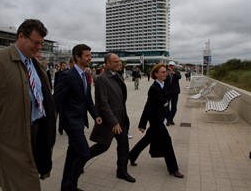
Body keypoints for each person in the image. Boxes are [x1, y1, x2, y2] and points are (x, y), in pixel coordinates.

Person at [0, 19, 57, 191]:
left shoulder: (35, 64)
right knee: (26, 183)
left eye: (41, 44)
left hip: (37, 132)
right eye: (35, 43)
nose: (39, 48)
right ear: (21, 37)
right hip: (10, 139)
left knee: (21, 180)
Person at [53, 44, 102, 191]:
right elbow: (56, 100)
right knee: (84, 153)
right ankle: (70, 185)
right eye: (87, 55)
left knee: (72, 153)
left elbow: (87, 99)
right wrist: (51, 122)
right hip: (71, 122)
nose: (90, 58)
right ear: (77, 57)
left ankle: (66, 185)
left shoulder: (86, 75)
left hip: (80, 121)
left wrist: (95, 115)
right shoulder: (67, 75)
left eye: (90, 55)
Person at [129, 63, 184, 178]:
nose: (166, 74)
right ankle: (173, 169)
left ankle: (131, 155)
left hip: (161, 119)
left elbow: (166, 100)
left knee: (147, 140)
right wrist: (142, 124)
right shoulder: (154, 88)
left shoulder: (163, 85)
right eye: (163, 72)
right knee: (167, 142)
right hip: (156, 121)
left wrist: (168, 117)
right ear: (156, 74)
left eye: (166, 72)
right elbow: (148, 106)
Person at [87, 53, 136, 183]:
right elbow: (103, 103)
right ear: (108, 64)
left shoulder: (117, 76)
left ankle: (122, 171)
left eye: (119, 61)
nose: (119, 64)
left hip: (121, 119)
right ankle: (79, 160)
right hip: (111, 121)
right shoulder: (102, 79)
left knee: (123, 145)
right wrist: (114, 122)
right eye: (115, 62)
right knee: (102, 147)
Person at [164, 61, 181, 126]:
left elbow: (179, 77)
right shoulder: (166, 72)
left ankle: (170, 119)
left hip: (175, 92)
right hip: (167, 93)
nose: (171, 67)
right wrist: (167, 74)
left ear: (174, 66)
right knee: (166, 107)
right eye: (170, 65)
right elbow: (163, 79)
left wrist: (173, 73)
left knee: (174, 107)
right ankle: (168, 120)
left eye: (172, 66)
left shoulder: (177, 72)